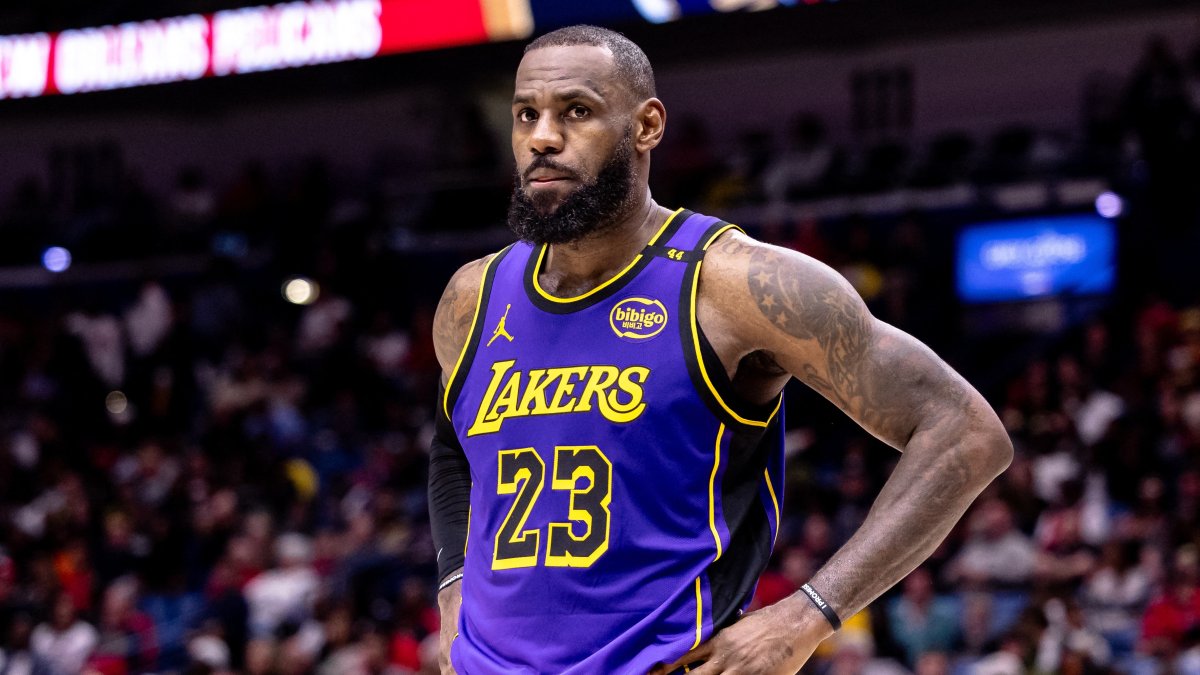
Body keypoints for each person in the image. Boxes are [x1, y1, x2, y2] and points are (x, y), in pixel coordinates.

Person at [427, 24, 1012, 674]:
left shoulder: (735, 284)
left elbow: (964, 431)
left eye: (577, 111)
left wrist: (808, 612)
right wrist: (453, 579)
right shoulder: (471, 297)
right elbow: (454, 442)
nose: (542, 136)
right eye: (525, 114)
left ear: (647, 126)